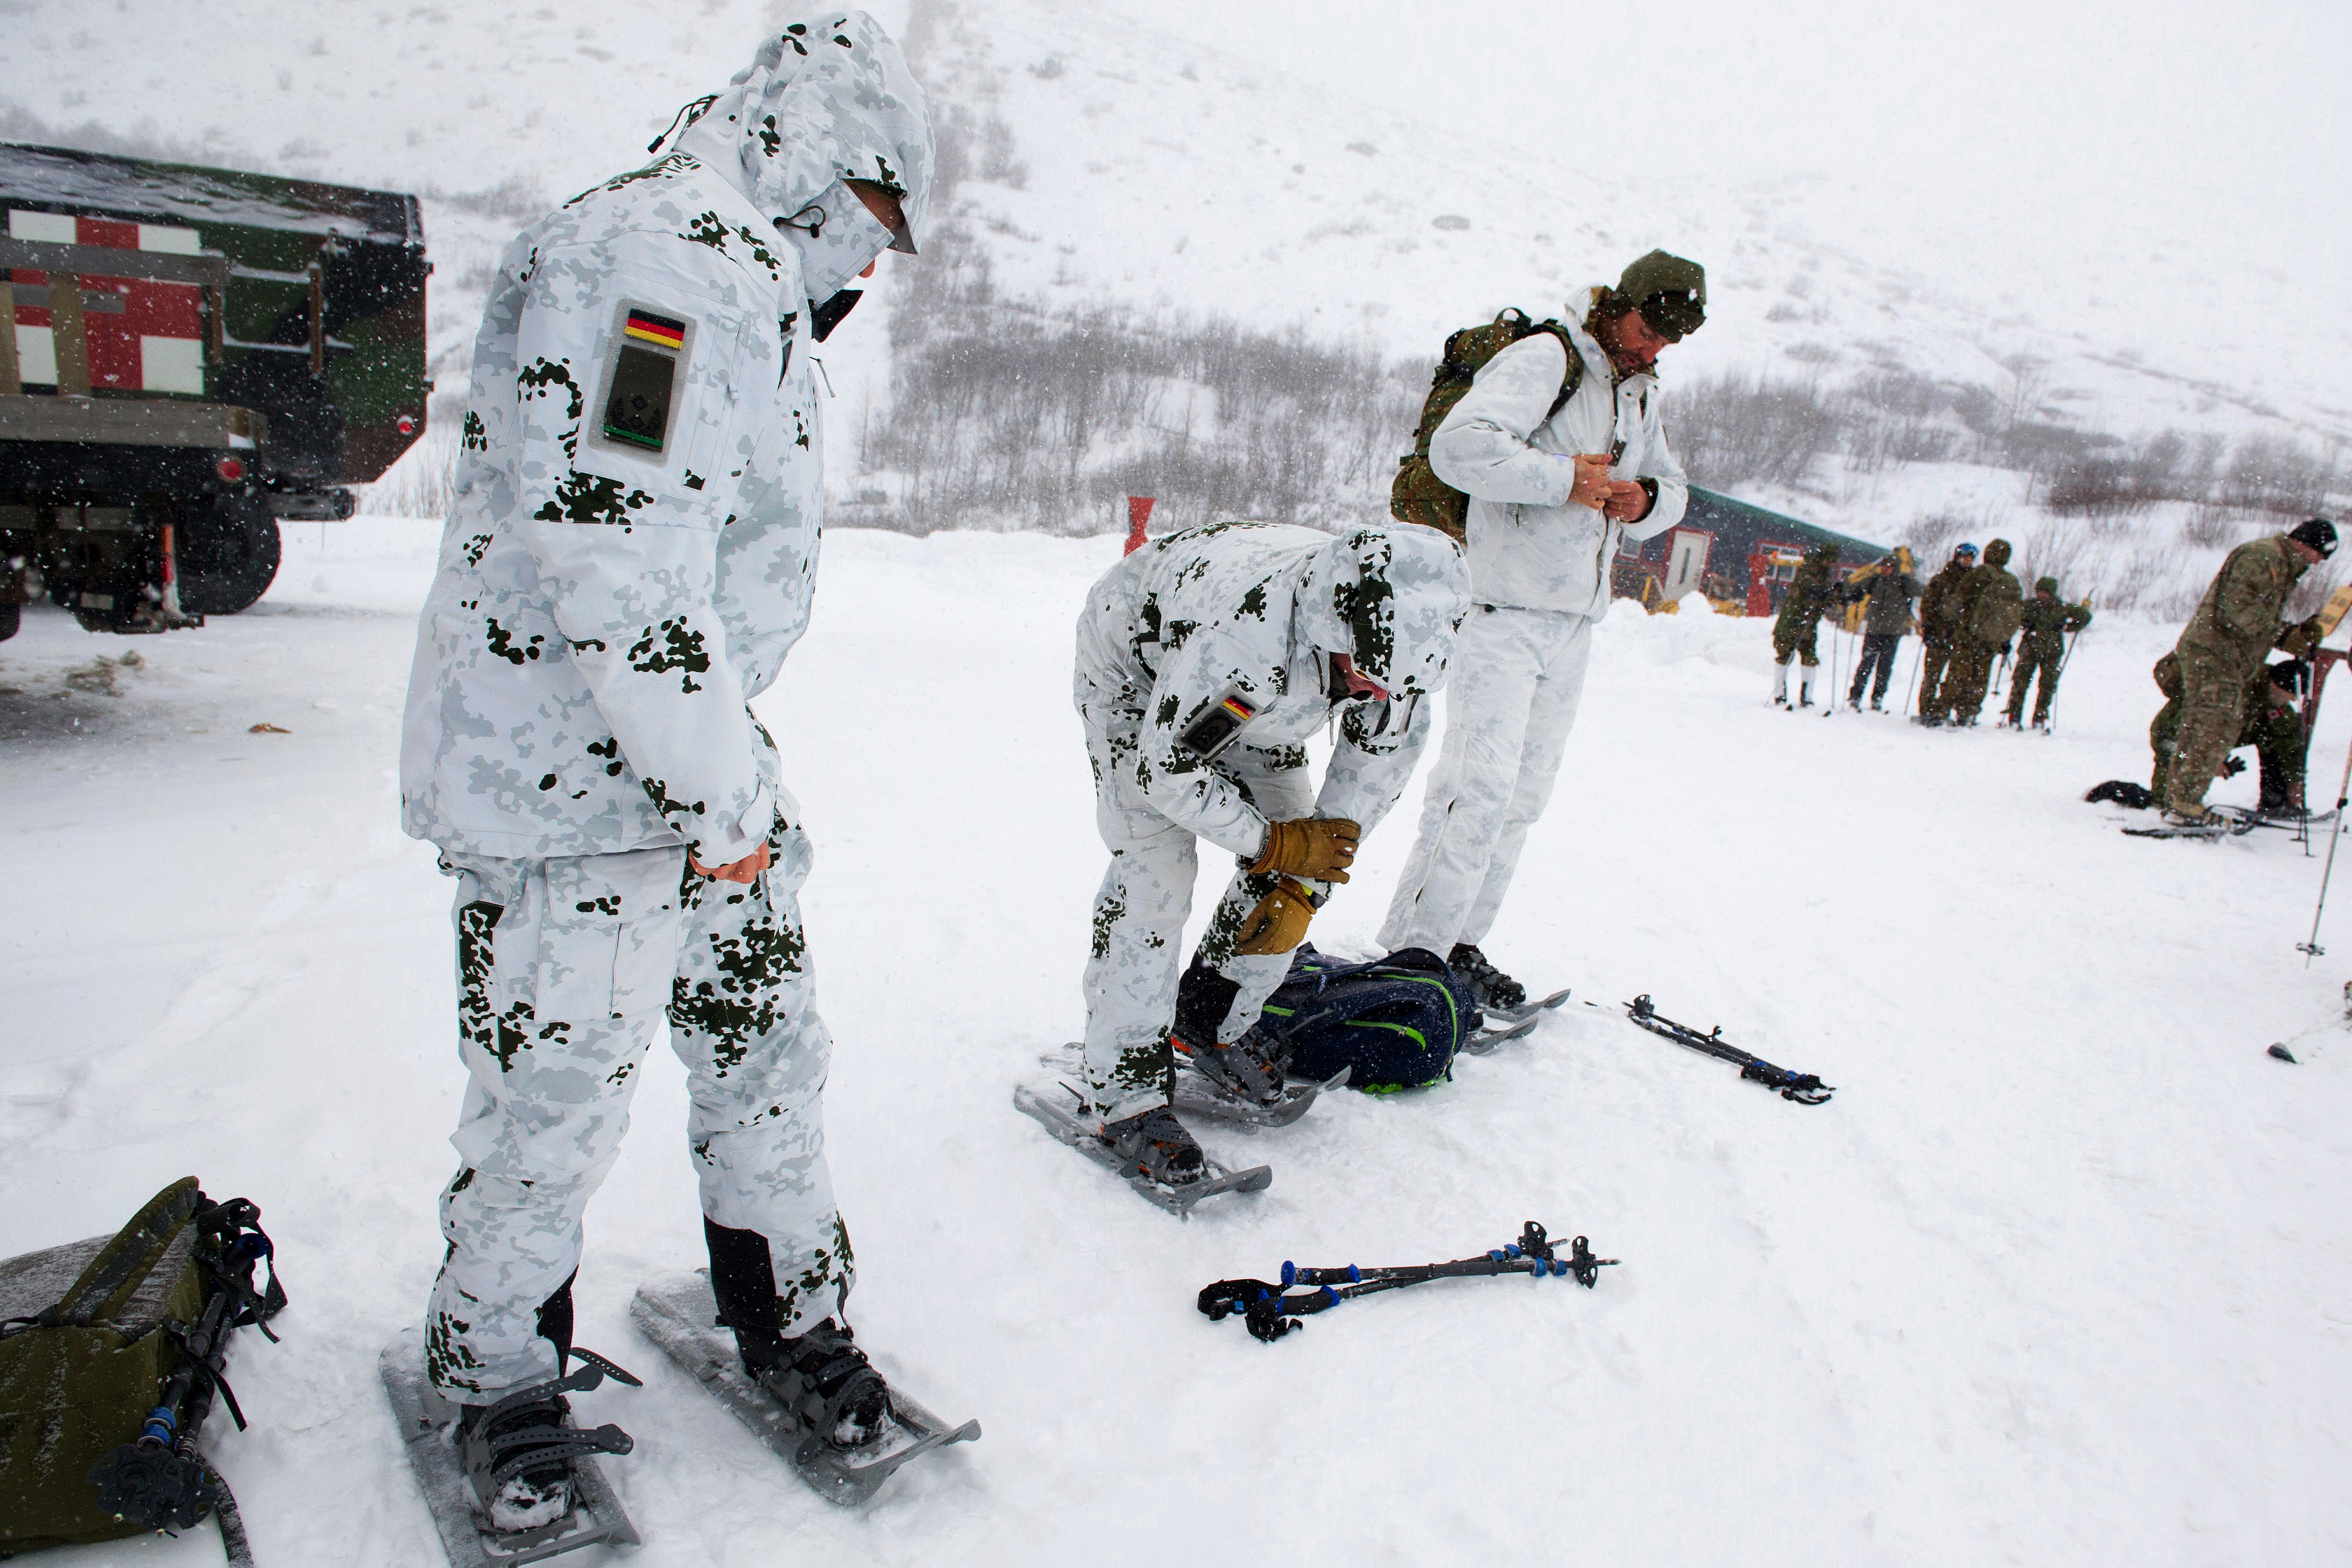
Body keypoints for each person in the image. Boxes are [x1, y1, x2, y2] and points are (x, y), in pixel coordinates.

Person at [395, 16, 933, 1531]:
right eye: (875, 219)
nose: (872, 263)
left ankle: (787, 1317)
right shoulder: (664, 262)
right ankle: (495, 1381)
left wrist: (727, 792)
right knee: (550, 1105)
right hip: (565, 792)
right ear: (810, 163)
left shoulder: (738, 276)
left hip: (697, 777)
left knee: (768, 1055)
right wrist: (720, 804)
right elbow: (615, 560)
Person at [1075, 523, 1469, 1184]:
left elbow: (1360, 790)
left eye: (1389, 686)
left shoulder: (1398, 661)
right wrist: (1273, 844)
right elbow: (1165, 771)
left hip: (1265, 704)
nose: (1375, 695)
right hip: (1141, 679)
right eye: (1366, 678)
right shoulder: (1243, 640)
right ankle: (1124, 1091)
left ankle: (1212, 1018)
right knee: (1156, 878)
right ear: (1336, 630)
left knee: (1296, 870)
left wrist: (1302, 879)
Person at [1376, 251, 1703, 1009]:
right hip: (1499, 610)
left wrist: (1641, 498)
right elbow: (1459, 449)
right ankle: (1413, 950)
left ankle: (1458, 943)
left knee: (1522, 796)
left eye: (1669, 341)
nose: (1654, 348)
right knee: (1474, 790)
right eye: (1649, 328)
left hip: (1572, 621)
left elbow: (1676, 491)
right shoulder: (1545, 359)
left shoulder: (1637, 394)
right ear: (1618, 304)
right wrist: (1566, 479)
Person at [2159, 517, 2336, 826]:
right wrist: (2283, 636)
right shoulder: (2262, 557)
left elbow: (2255, 615)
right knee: (2214, 725)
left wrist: (2301, 631)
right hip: (2215, 653)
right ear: (2305, 543)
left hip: (2231, 658)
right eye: (2321, 553)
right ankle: (2184, 805)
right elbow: (2238, 609)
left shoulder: (2281, 565)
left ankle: (2179, 800)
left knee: (2206, 725)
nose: (2320, 562)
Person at [2150, 654, 2310, 814]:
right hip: (2175, 737)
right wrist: (2212, 761)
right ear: (2278, 685)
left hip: (2209, 735)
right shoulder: (2234, 690)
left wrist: (2294, 782)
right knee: (2174, 777)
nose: (2290, 701)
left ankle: (2275, 800)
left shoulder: (2270, 697)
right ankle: (2175, 804)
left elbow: (2290, 742)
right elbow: (2201, 729)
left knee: (2277, 733)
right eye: (2290, 696)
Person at [1919, 538, 2022, 727]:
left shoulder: (1979, 574)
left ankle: (1940, 711)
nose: (1967, 560)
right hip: (1990, 639)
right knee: (1980, 678)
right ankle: (1968, 713)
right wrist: (2003, 637)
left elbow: (1958, 601)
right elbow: (2014, 613)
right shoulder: (2011, 581)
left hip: (1968, 636)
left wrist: (1947, 621)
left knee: (1959, 675)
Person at [1770, 541, 1853, 708]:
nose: (1832, 564)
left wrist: (1841, 596)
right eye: (1830, 560)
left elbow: (1823, 597)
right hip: (1793, 620)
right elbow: (1813, 593)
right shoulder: (1810, 568)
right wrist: (1831, 594)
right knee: (1785, 655)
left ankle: (1807, 697)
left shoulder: (1824, 572)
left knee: (1810, 658)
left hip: (1809, 623)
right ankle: (1779, 693)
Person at [2002, 578, 2093, 729]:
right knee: (2020, 681)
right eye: (2039, 592)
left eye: (2045, 593)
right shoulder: (2030, 605)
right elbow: (2011, 616)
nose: (2042, 595)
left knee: (2047, 685)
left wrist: (2067, 627)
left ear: (2052, 593)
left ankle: (2041, 716)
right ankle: (2014, 714)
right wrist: (2023, 623)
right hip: (2030, 649)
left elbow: (2085, 617)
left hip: (2052, 651)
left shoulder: (2062, 607)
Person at [1845, 550, 1918, 711]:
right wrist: (1849, 593)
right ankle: (1856, 696)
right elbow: (1858, 587)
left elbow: (1923, 590)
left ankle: (1877, 697)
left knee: (1884, 667)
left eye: (1890, 567)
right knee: (1866, 664)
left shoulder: (1904, 582)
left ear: (1896, 568)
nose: (1886, 569)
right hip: (1874, 630)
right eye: (1884, 566)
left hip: (1892, 632)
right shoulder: (1876, 580)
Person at [1914, 542, 1976, 715]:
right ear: (1957, 558)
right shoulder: (1941, 580)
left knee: (1957, 678)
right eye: (1965, 557)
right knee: (1932, 675)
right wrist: (1930, 630)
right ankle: (1926, 710)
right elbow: (1928, 607)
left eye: (1971, 558)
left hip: (1962, 637)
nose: (1968, 561)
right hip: (1940, 635)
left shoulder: (1975, 584)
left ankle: (1943, 709)